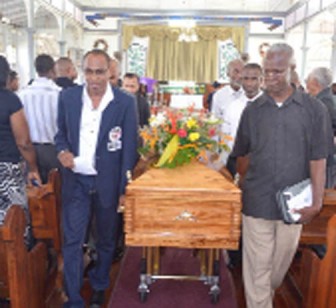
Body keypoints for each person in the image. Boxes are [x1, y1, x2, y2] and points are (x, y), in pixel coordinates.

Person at [232, 43, 330, 308]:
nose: (271, 77)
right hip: (257, 201)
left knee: (276, 271)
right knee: (257, 270)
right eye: (267, 71)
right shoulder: (253, 110)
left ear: (292, 70)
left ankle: (266, 291)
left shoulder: (314, 110)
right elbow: (242, 154)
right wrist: (242, 186)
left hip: (294, 204)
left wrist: (317, 201)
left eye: (278, 71)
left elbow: (318, 158)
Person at [55, 49, 138, 308]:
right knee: (72, 240)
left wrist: (124, 188)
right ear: (82, 71)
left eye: (100, 72)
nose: (94, 78)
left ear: (110, 73)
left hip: (107, 182)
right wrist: (62, 152)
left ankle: (100, 284)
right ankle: (74, 297)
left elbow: (129, 150)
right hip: (76, 182)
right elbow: (60, 134)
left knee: (106, 239)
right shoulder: (67, 98)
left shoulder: (124, 103)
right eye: (89, 71)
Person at [0, 55, 41, 247]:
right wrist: (33, 167)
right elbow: (23, 141)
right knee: (15, 221)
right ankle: (15, 271)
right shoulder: (9, 100)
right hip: (7, 169)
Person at [19, 54, 61, 184]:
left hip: (29, 150)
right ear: (53, 69)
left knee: (34, 194)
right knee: (56, 192)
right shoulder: (60, 94)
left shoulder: (22, 95)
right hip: (54, 150)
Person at [211, 59, 245, 165]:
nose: (240, 75)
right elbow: (215, 123)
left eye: (243, 72)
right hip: (226, 149)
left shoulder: (251, 94)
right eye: (236, 71)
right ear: (228, 73)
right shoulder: (219, 96)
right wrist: (214, 150)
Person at [306, 67, 336, 188]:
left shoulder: (321, 103)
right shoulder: (328, 99)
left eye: (308, 80)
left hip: (322, 162)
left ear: (315, 83)